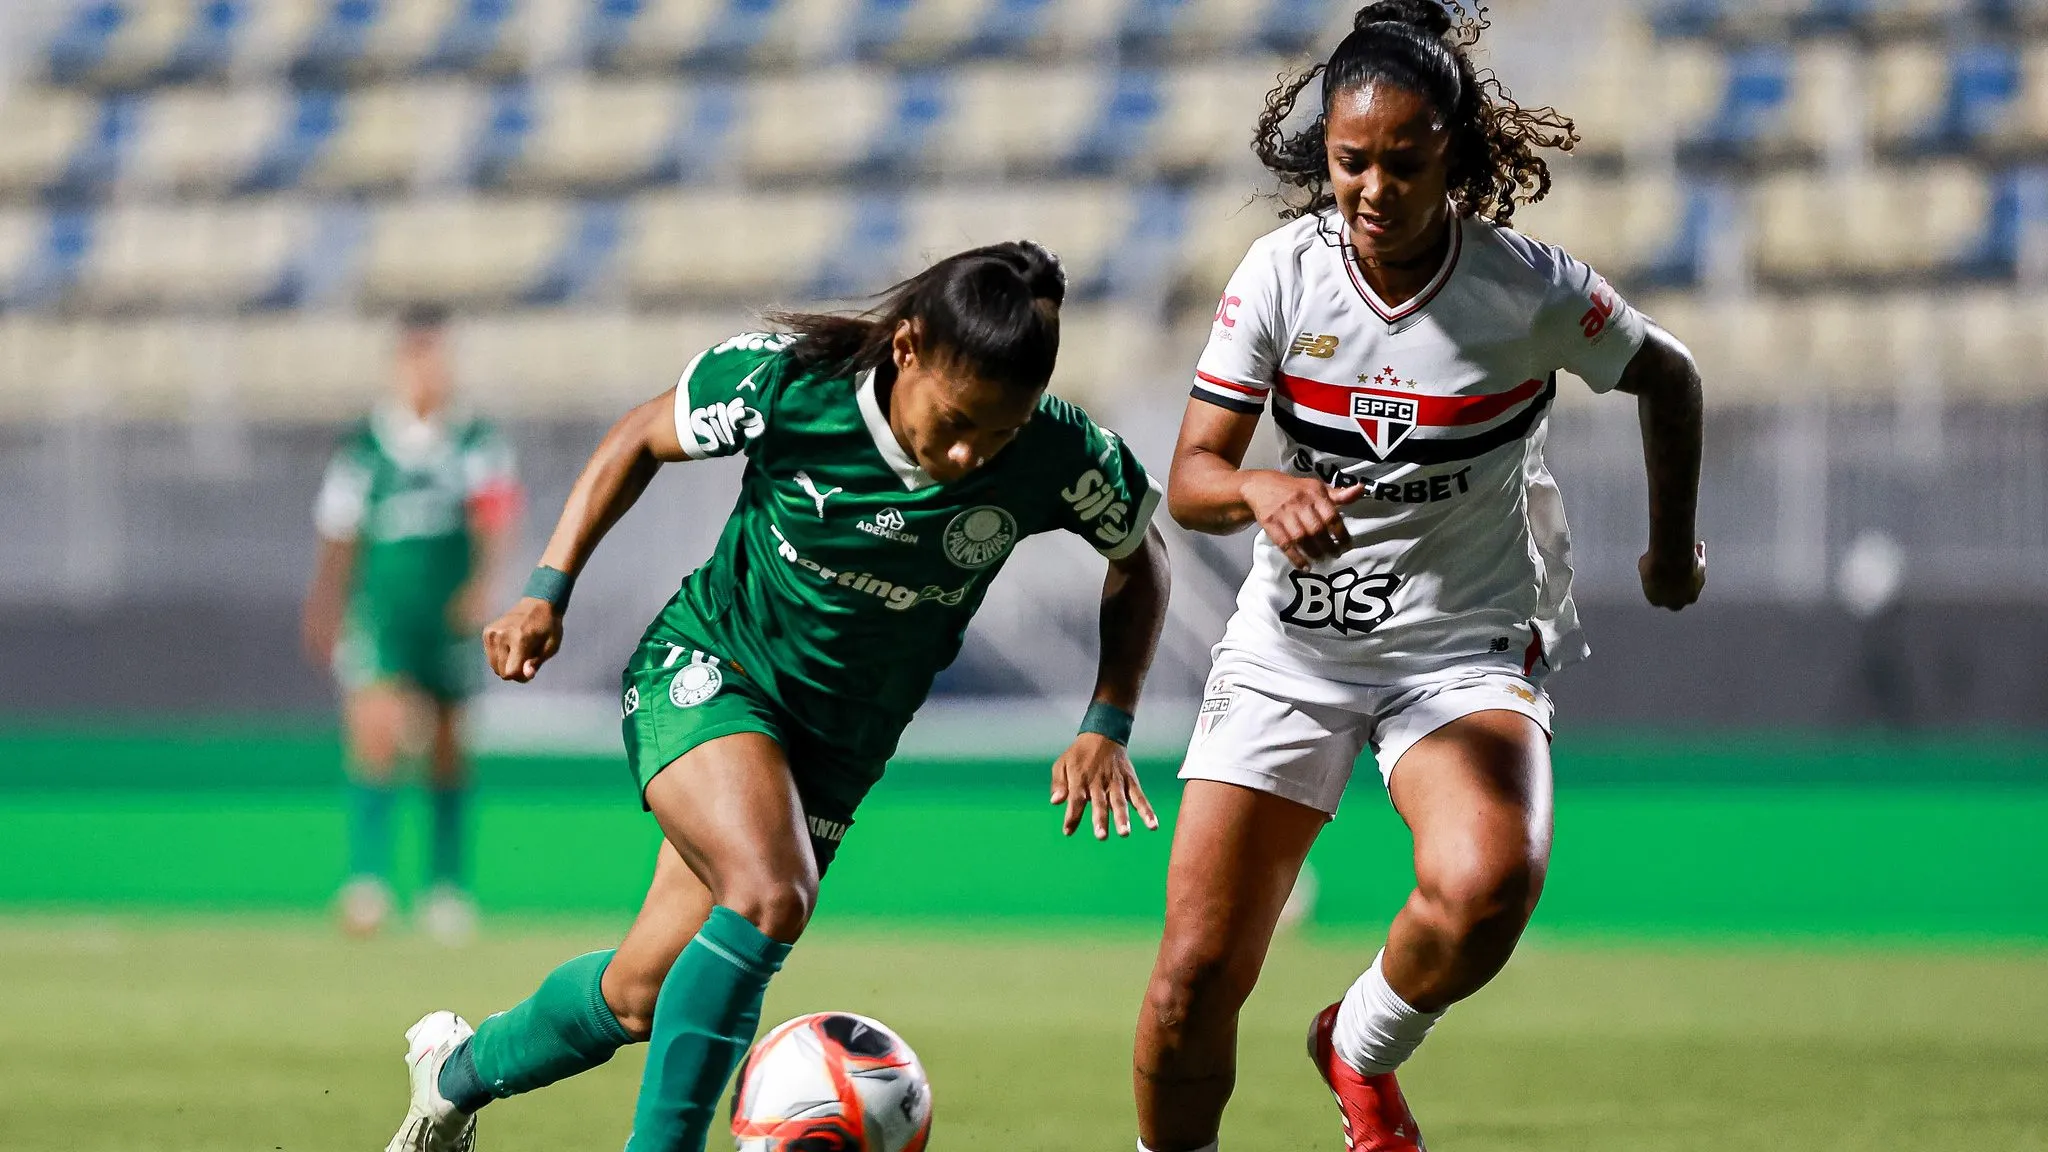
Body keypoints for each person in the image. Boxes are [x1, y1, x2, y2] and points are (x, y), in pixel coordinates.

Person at [380, 241, 1171, 1152]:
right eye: (955, 421)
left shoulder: (1055, 451)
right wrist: (547, 588)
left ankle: (455, 1075)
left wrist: (1108, 717)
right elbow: (642, 434)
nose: (965, 454)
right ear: (907, 349)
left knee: (641, 995)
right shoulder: (790, 387)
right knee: (768, 894)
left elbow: (1141, 556)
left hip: (837, 751)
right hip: (713, 672)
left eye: (993, 434)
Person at [1130, 4, 1707, 1150]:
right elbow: (1190, 477)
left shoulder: (1528, 290)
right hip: (1292, 648)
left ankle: (1356, 1043)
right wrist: (1256, 492)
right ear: (1322, 156)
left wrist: (1668, 546)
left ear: (1457, 149)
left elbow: (1670, 377)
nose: (1375, 188)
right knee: (1192, 982)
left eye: (1406, 160)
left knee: (1489, 884)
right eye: (1351, 162)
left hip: (1459, 645)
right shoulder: (1281, 275)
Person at [303, 303, 521, 944]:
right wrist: (325, 603)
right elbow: (340, 532)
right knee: (375, 736)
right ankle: (367, 883)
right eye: (417, 360)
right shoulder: (365, 445)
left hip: (448, 616)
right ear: (398, 367)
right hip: (383, 613)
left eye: (436, 360)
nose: (428, 373)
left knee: (449, 748)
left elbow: (496, 518)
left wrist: (484, 587)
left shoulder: (475, 440)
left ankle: (445, 887)